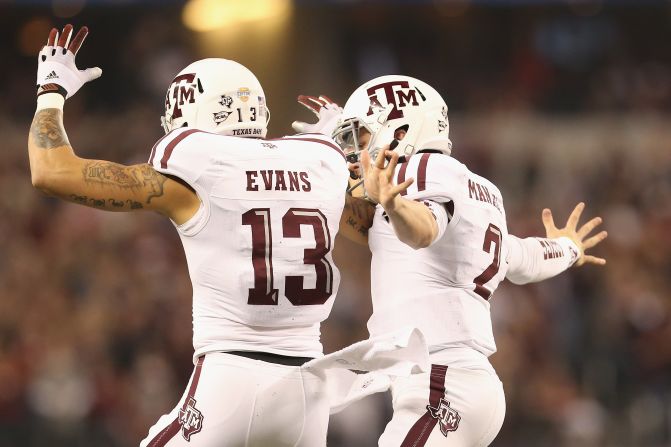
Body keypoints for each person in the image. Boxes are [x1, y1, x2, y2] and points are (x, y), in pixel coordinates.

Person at [29, 24, 351, 446]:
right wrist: (346, 141)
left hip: (233, 379)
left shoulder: (197, 172)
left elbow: (51, 172)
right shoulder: (323, 161)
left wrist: (51, 92)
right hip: (311, 386)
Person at [316, 75, 608, 446]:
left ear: (401, 131)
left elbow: (423, 230)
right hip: (462, 382)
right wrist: (567, 249)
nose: (357, 153)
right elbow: (522, 258)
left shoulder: (423, 170)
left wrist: (393, 202)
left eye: (363, 137)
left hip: (442, 382)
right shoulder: (479, 191)